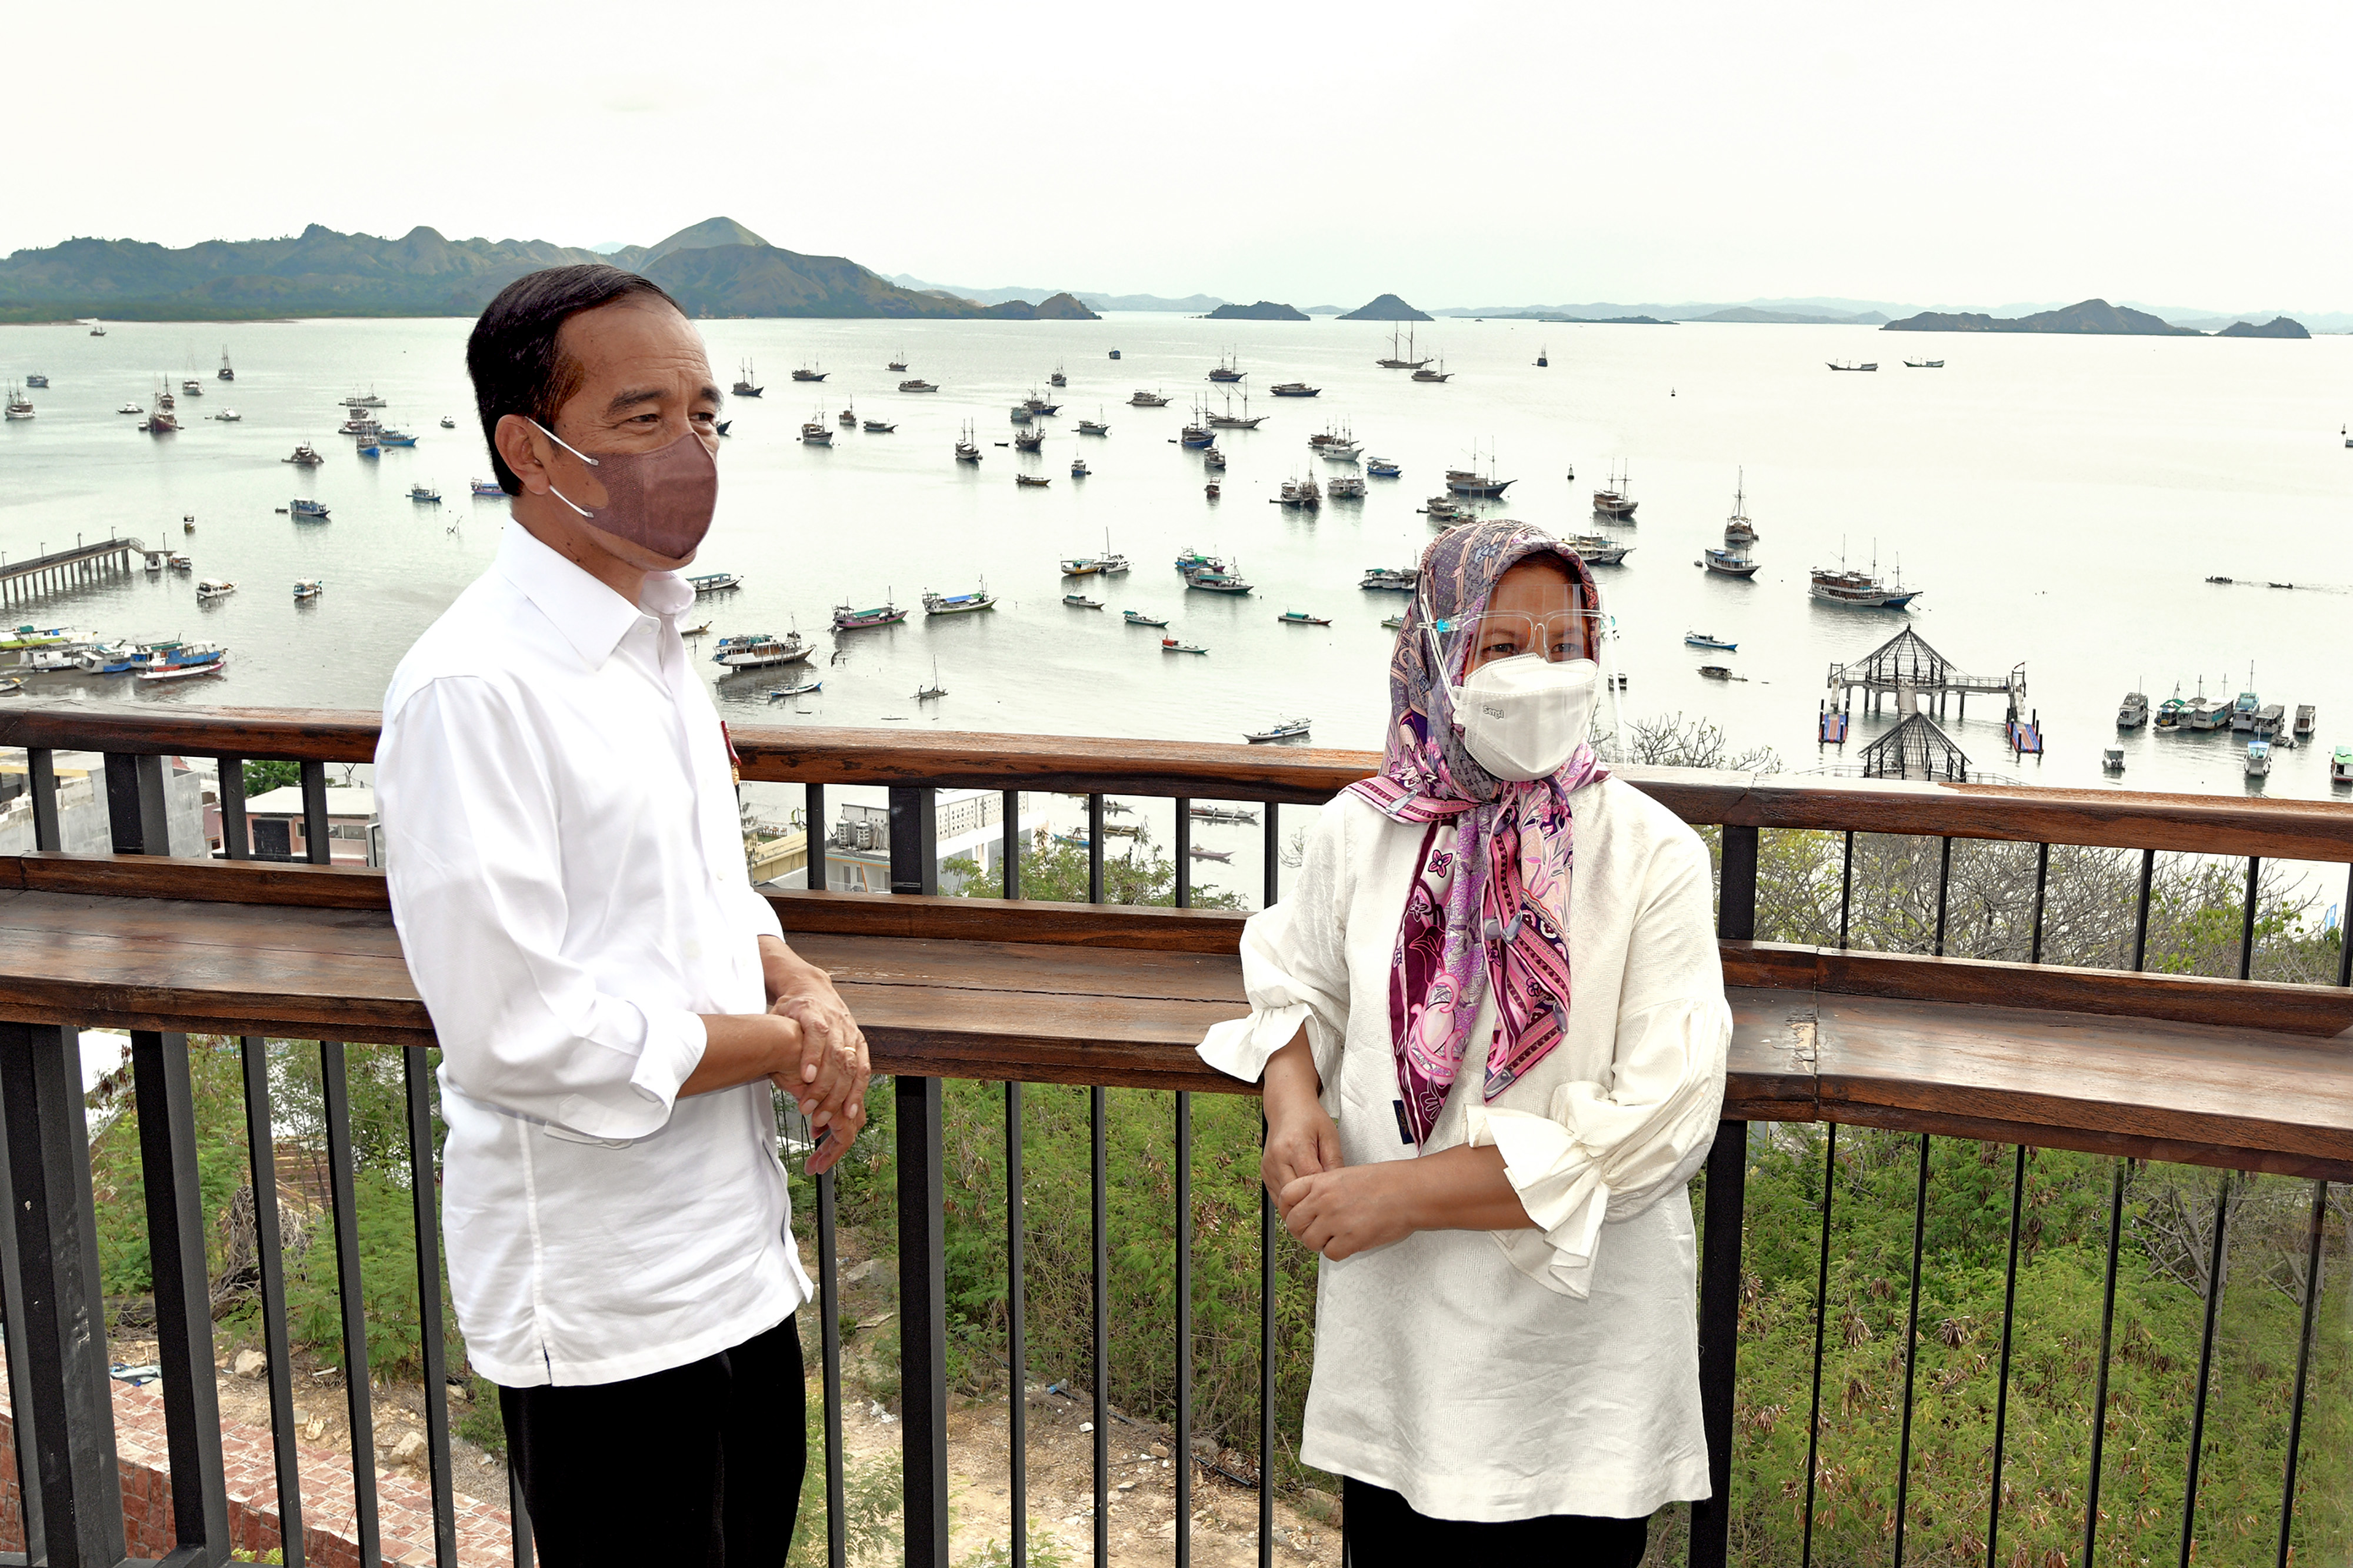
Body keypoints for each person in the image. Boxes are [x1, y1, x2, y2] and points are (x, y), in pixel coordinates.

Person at [375, 264, 869, 1566]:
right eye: (643, 417)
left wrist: (796, 983)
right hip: (599, 1303)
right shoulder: (472, 690)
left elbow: (704, 890)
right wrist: (786, 1049)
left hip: (737, 1265)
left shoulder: (656, 649)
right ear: (528, 448)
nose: (691, 450)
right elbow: (515, 1030)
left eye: (707, 416)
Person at [1197, 520, 1731, 1564]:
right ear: (1438, 652)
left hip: (1577, 1374)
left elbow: (1658, 1126)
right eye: (1502, 645)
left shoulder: (1652, 855)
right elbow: (1293, 970)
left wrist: (1396, 1194)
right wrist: (1292, 1095)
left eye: (1567, 643)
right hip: (1403, 1353)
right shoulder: (1366, 828)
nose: (1542, 673)